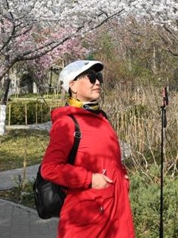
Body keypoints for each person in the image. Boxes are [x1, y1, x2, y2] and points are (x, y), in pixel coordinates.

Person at [40, 60, 135, 238]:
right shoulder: (67, 124)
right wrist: (90, 179)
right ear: (73, 86)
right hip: (87, 220)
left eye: (98, 77)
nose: (97, 82)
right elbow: (50, 169)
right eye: (91, 77)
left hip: (115, 210)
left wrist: (121, 174)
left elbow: (106, 157)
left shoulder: (101, 118)